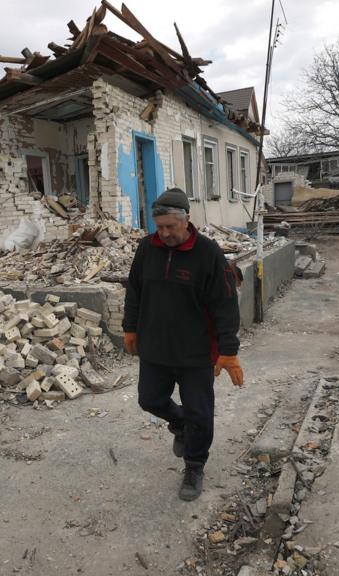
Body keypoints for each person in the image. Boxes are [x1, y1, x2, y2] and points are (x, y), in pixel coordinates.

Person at [123, 187, 244, 501]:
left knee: (200, 413)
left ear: (186, 221)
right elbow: (134, 290)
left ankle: (194, 466)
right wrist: (130, 328)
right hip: (155, 348)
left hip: (195, 352)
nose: (163, 234)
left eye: (170, 228)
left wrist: (229, 351)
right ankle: (179, 424)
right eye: (158, 227)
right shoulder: (146, 249)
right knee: (149, 399)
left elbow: (225, 304)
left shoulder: (208, 253)